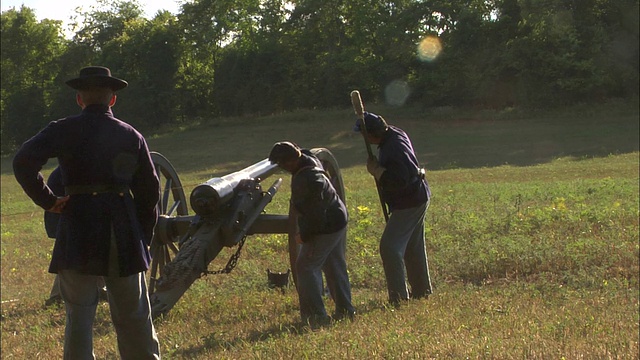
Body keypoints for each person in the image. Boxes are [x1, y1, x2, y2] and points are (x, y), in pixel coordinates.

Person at [13, 66, 161, 359]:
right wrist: (141, 236)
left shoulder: (62, 129)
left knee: (79, 320)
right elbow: (149, 192)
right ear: (112, 100)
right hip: (122, 230)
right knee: (133, 318)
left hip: (77, 228)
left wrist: (48, 200)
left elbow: (23, 162)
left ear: (79, 99)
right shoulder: (130, 135)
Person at [268, 141, 356, 327]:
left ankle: (315, 316)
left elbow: (316, 216)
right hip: (338, 217)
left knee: (306, 267)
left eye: (282, 165)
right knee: (334, 265)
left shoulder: (308, 181)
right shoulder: (307, 159)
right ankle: (346, 310)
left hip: (326, 225)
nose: (282, 169)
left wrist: (304, 236)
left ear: (290, 162)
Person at [354, 111, 433, 306]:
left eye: (364, 134)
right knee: (412, 246)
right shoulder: (395, 133)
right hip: (418, 195)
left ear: (372, 135)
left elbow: (399, 180)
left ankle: (398, 297)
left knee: (389, 248)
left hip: (409, 201)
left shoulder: (393, 148)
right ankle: (422, 291)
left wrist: (378, 171)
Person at [44, 166, 107, 308]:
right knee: (74, 257)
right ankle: (58, 295)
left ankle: (98, 287)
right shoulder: (68, 173)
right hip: (67, 221)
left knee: (76, 255)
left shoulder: (60, 171)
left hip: (63, 220)